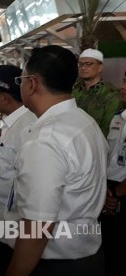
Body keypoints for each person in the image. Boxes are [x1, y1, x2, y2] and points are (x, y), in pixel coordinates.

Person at [5, 45, 106, 275]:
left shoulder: (45, 139)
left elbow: (38, 227)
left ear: (32, 83)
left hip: (55, 265)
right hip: (87, 257)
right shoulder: (85, 122)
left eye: (20, 79)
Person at [0, 65, 37, 275]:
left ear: (5, 97)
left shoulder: (28, 128)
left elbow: (29, 188)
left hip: (11, 233)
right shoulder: (12, 124)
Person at [101, 69, 126, 276]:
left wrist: (118, 193)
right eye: (124, 81)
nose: (123, 87)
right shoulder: (119, 118)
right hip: (111, 190)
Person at [73, 48, 120, 137]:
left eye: (88, 64)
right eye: (81, 64)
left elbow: (108, 130)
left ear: (100, 68)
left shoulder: (111, 95)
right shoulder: (74, 90)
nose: (83, 68)